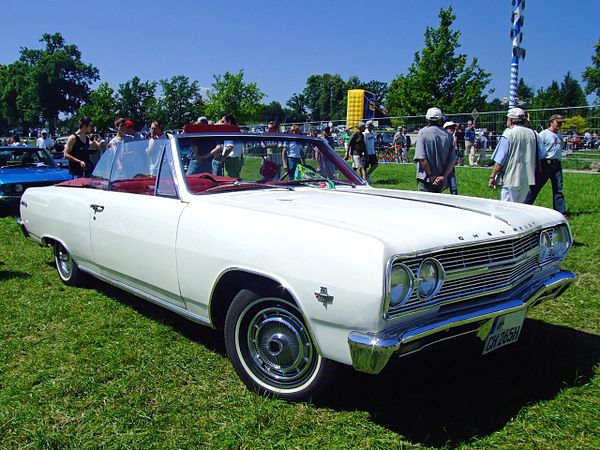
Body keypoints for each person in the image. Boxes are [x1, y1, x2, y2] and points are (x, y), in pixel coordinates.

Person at [488, 108, 545, 203]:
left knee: (506, 209)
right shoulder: (535, 134)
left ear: (510, 120)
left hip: (511, 178)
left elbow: (500, 159)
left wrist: (492, 176)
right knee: (519, 208)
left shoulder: (508, 134)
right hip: (527, 178)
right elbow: (541, 155)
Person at [525, 114, 568, 216]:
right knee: (535, 187)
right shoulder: (543, 134)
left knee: (558, 188)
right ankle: (525, 206)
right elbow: (537, 150)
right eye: (558, 122)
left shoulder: (559, 136)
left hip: (556, 164)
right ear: (551, 122)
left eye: (561, 123)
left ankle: (561, 212)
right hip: (545, 164)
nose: (560, 125)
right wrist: (538, 165)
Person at [414, 108, 456, 193]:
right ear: (440, 119)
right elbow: (452, 160)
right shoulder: (448, 135)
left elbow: (422, 158)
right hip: (440, 179)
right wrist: (443, 176)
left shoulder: (422, 133)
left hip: (425, 178)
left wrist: (430, 175)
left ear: (427, 119)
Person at [443, 121, 459, 195]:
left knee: (453, 187)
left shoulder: (452, 138)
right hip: (442, 166)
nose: (452, 129)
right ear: (445, 129)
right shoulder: (443, 139)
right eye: (450, 128)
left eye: (453, 128)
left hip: (451, 166)